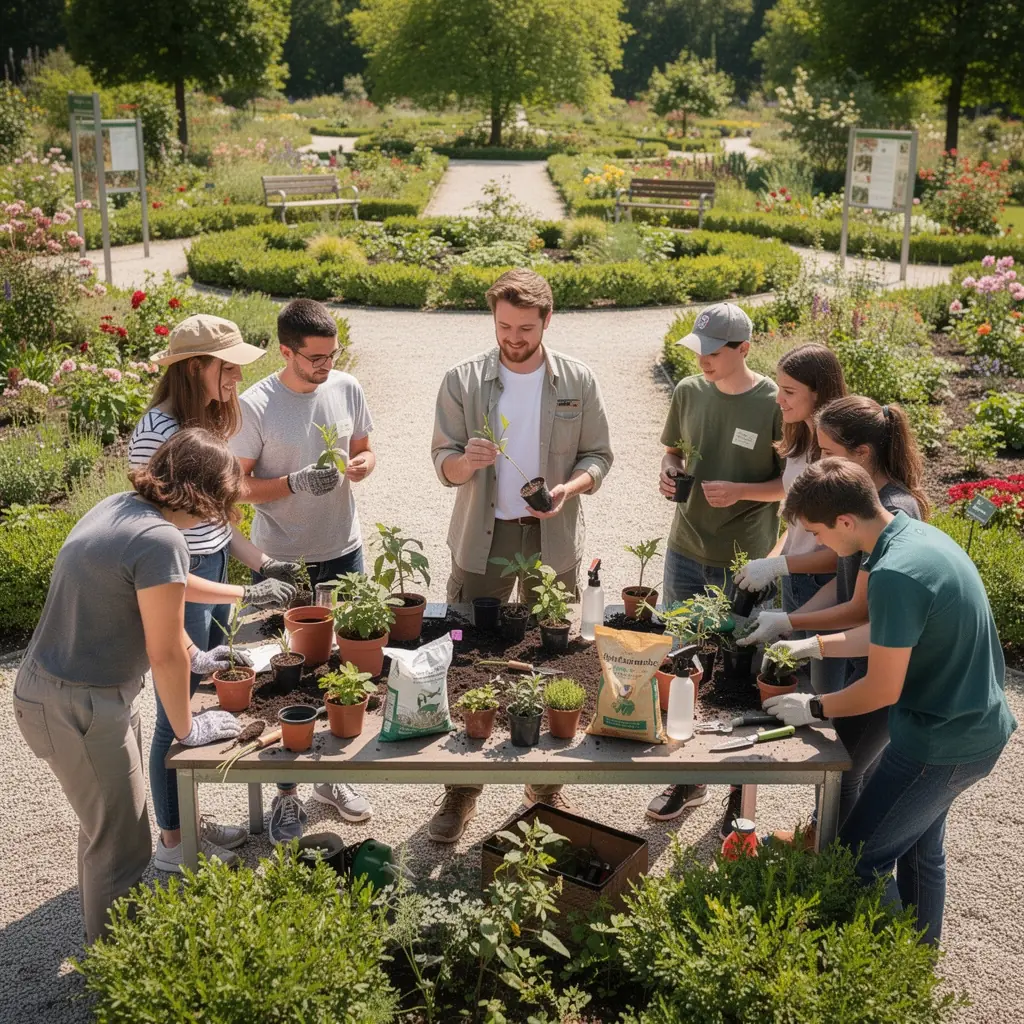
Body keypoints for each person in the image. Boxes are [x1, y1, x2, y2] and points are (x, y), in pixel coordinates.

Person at [12, 429, 255, 943]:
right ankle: (114, 977)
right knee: (123, 848)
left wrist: (241, 596)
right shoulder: (160, 537)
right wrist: (189, 729)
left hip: (56, 690)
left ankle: (109, 949)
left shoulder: (123, 509)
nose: (222, 515)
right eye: (223, 502)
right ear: (204, 494)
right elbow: (164, 652)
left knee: (106, 828)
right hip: (78, 706)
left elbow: (166, 585)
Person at [762, 458, 1016, 944]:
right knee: (920, 852)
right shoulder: (911, 538)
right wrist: (814, 644)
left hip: (940, 742)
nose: (821, 545)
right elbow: (890, 633)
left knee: (858, 860)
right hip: (969, 727)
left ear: (844, 522)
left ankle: (884, 973)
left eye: (818, 533)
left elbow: (882, 689)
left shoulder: (896, 572)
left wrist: (814, 708)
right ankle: (917, 967)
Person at [429, 268, 613, 842]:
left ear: (547, 321)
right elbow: (442, 464)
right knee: (471, 660)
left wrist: (567, 490)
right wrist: (468, 462)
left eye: (524, 328)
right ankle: (461, 792)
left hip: (550, 537)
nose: (513, 337)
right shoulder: (463, 379)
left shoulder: (577, 380)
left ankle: (543, 787)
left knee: (553, 658)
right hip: (482, 538)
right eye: (504, 326)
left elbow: (599, 457)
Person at [129, 313, 301, 872]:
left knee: (199, 692)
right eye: (227, 368)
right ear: (195, 366)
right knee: (173, 710)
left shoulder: (208, 419)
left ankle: (188, 818)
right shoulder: (157, 430)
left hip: (207, 564)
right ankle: (174, 843)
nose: (234, 379)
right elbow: (155, 530)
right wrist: (236, 589)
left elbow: (217, 515)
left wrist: (261, 561)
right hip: (172, 571)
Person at [741, 396, 930, 842]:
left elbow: (860, 609)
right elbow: (844, 581)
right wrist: (792, 618)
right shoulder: (861, 503)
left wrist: (796, 626)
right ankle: (823, 838)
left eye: (827, 452)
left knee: (844, 763)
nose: (820, 460)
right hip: (864, 651)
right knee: (850, 759)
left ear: (861, 453)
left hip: (881, 659)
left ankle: (828, 852)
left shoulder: (891, 509)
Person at [232, 298, 377, 844]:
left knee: (340, 674)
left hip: (344, 550)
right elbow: (238, 486)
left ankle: (331, 781)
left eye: (332, 355)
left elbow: (364, 450)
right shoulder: (256, 405)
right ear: (286, 352)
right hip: (281, 563)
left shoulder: (346, 387)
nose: (325, 367)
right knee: (284, 682)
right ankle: (287, 795)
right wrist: (292, 483)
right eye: (314, 358)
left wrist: (362, 464)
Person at [646, 302, 783, 836]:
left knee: (738, 673)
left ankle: (737, 791)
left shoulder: (773, 402)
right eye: (697, 348)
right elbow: (672, 452)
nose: (702, 358)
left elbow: (792, 483)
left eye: (713, 350)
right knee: (685, 661)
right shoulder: (688, 391)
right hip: (686, 545)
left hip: (744, 556)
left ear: (744, 349)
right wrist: (669, 472)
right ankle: (689, 775)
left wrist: (743, 491)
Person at [734, 344, 847, 619]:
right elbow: (798, 523)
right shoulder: (801, 442)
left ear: (818, 393)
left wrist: (779, 566)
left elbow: (842, 552)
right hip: (795, 576)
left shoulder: (837, 458)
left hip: (824, 584)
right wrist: (771, 561)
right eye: (779, 388)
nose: (778, 399)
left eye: (789, 391)